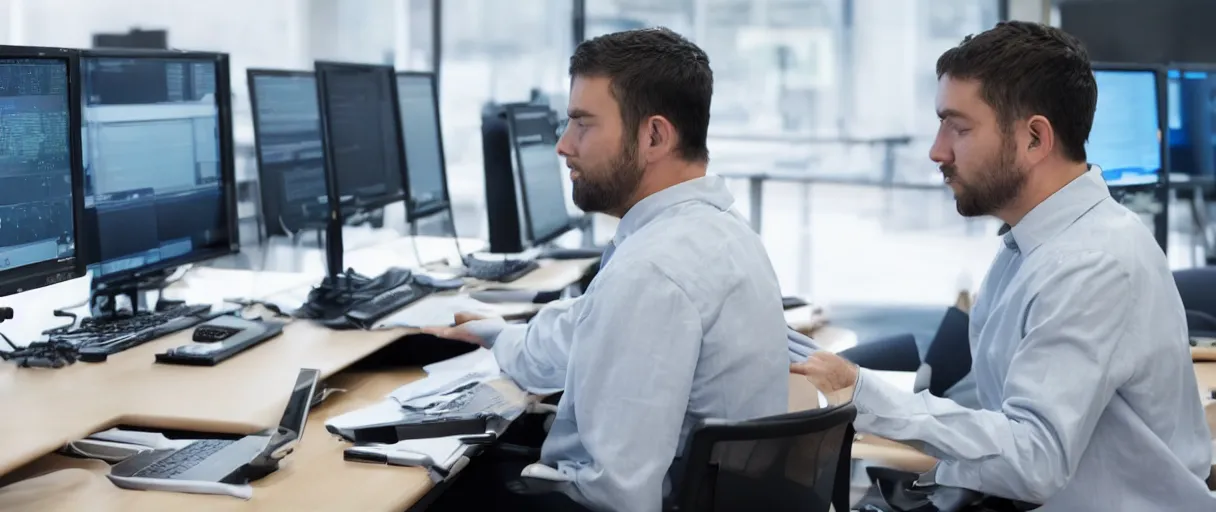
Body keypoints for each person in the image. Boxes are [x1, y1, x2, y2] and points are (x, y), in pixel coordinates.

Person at [793, 21, 1215, 510]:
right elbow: (1009, 424)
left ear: (1035, 139)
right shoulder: (1033, 243)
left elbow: (1034, 458)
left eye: (959, 127)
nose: (937, 151)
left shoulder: (1090, 263)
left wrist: (865, 395)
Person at [425, 27, 789, 511]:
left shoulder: (653, 271)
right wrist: (498, 335)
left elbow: (616, 497)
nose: (562, 144)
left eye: (582, 123)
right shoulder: (715, 232)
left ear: (654, 135)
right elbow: (580, 328)